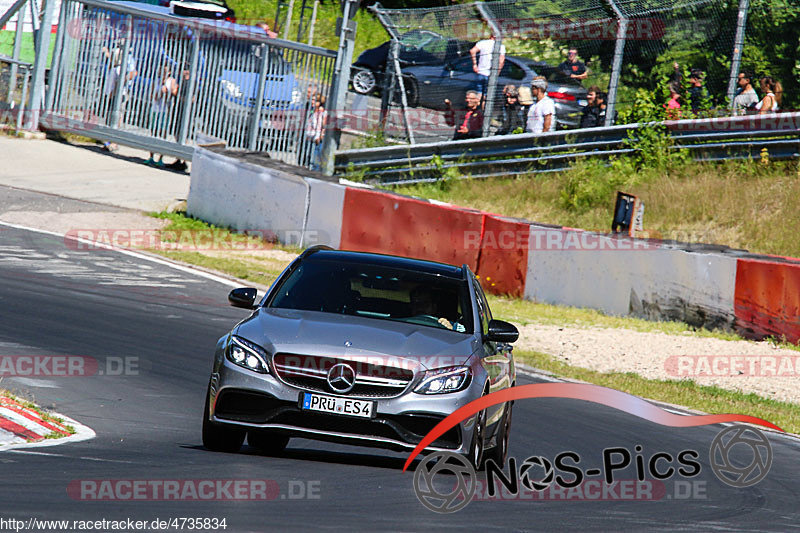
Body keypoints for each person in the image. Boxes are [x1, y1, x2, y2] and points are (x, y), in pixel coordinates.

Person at [100, 38, 137, 152]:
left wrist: (122, 82)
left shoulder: (128, 60)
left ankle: (114, 141)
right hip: (111, 93)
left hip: (119, 93)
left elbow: (133, 73)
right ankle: (108, 140)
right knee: (109, 115)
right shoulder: (115, 64)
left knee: (117, 115)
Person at [147, 63, 178, 167]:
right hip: (156, 109)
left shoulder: (171, 81)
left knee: (162, 133)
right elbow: (153, 96)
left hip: (165, 110)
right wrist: (160, 92)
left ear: (169, 72)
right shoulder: (156, 81)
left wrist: (167, 91)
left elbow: (174, 92)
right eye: (161, 70)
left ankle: (161, 158)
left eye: (164, 71)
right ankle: (151, 156)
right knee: (153, 132)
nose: (162, 72)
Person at [168, 62, 193, 171]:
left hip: (186, 112)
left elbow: (192, 99)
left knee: (184, 135)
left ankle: (184, 160)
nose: (183, 72)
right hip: (178, 110)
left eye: (185, 70)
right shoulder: (182, 82)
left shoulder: (191, 83)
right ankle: (179, 159)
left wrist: (178, 95)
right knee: (177, 133)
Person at [469, 34, 505, 101]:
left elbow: (472, 51)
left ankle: (478, 110)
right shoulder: (500, 46)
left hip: (481, 72)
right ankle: (484, 110)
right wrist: (498, 72)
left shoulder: (483, 43)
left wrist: (475, 64)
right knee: (487, 96)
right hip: (491, 74)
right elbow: (501, 61)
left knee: (479, 93)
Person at [305, 94, 327, 171]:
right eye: (312, 99)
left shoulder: (321, 112)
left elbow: (322, 126)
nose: (312, 102)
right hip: (310, 138)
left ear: (320, 103)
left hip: (316, 139)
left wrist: (318, 136)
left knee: (315, 161)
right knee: (308, 159)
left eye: (315, 100)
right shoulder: (312, 111)